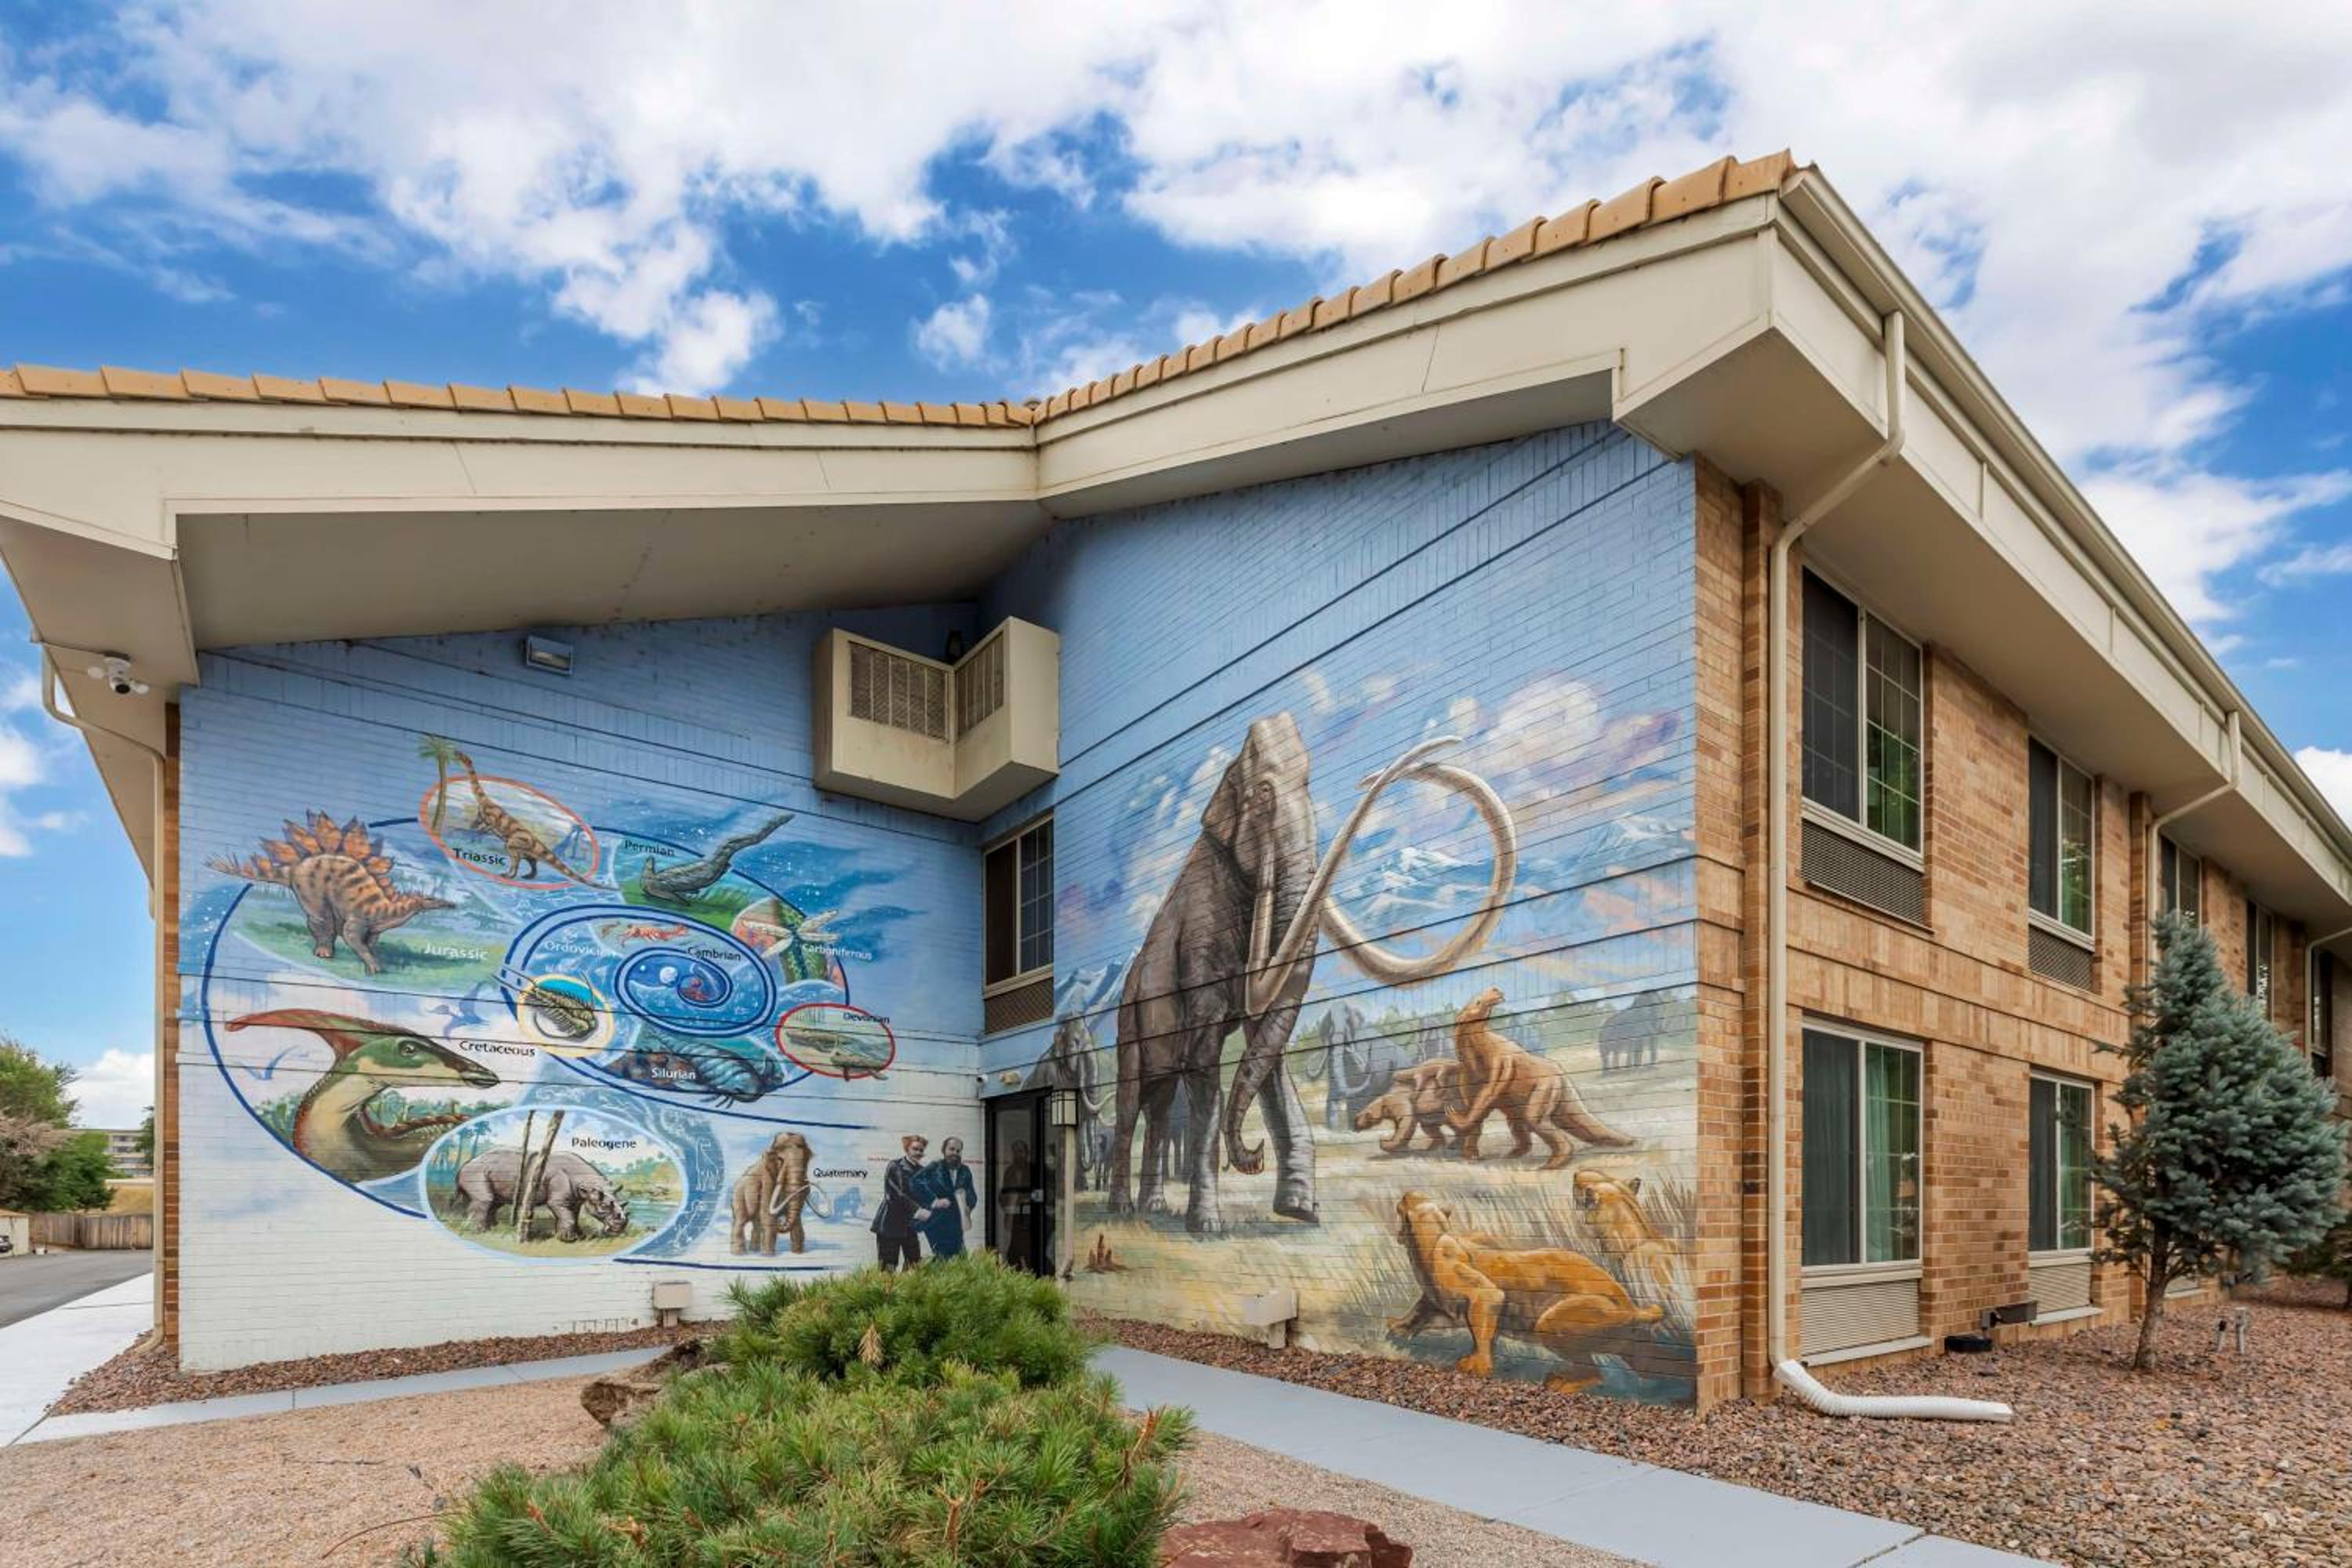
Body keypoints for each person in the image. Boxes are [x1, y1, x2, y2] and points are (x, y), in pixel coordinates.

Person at [913, 1135, 978, 1258]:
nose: (955, 1153)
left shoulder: (965, 1171)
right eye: (952, 1149)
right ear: (944, 1150)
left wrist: (967, 1207)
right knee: (943, 1256)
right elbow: (915, 1182)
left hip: (956, 1222)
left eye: (958, 1151)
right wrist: (934, 1201)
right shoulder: (935, 1167)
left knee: (960, 1257)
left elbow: (972, 1195)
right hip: (937, 1221)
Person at [871, 1134, 928, 1269]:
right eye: (915, 1149)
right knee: (888, 1267)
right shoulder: (894, 1166)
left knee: (914, 1264)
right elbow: (895, 1194)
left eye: (921, 1150)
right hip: (889, 1225)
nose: (918, 1153)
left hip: (910, 1226)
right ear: (907, 1149)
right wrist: (917, 1210)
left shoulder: (922, 1171)